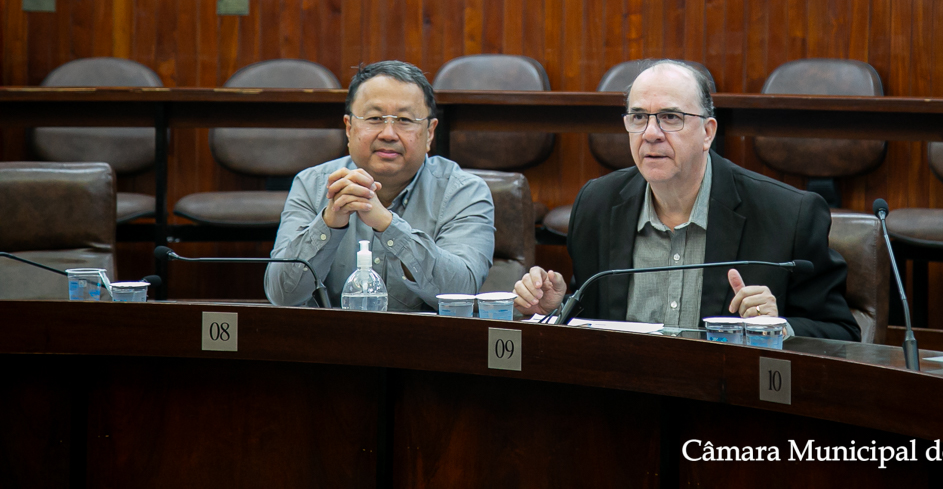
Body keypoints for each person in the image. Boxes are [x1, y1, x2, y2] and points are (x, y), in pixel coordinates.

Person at [514, 60, 860, 341]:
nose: (651, 134)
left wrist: (778, 326)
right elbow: (595, 318)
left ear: (707, 132)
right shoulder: (597, 204)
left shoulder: (788, 215)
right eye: (639, 117)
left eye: (670, 117)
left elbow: (842, 333)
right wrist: (556, 309)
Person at [265, 61, 495, 309]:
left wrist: (386, 224)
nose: (388, 134)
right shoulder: (313, 185)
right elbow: (281, 296)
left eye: (404, 119)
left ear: (429, 132)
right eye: (374, 118)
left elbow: (461, 293)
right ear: (349, 128)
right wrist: (329, 223)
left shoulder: (464, 192)